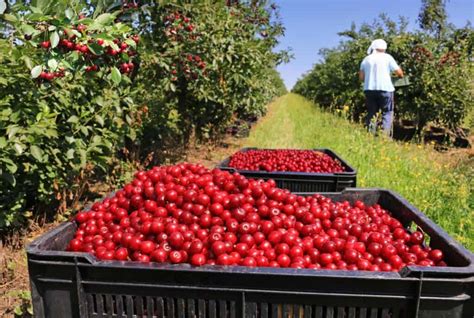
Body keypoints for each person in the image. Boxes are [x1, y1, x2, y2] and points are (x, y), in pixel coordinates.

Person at [359, 39, 404, 135]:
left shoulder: (366, 59)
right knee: (387, 112)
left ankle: (370, 135)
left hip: (369, 89)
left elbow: (361, 78)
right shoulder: (388, 58)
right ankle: (384, 137)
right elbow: (400, 73)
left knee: (372, 113)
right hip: (386, 89)